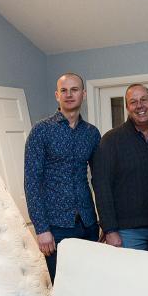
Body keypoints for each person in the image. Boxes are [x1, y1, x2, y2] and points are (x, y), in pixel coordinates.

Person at [24, 72, 101, 283]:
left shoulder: (91, 133)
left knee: (89, 282)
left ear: (83, 94)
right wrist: (41, 229)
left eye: (74, 90)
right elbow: (32, 182)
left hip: (87, 223)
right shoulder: (41, 131)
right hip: (55, 226)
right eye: (64, 91)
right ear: (57, 95)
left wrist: (103, 221)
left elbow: (99, 179)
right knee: (63, 287)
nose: (69, 94)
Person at [92, 83, 148, 250]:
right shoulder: (111, 140)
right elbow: (102, 187)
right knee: (130, 269)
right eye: (133, 102)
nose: (139, 105)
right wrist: (109, 230)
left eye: (144, 100)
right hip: (127, 233)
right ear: (127, 107)